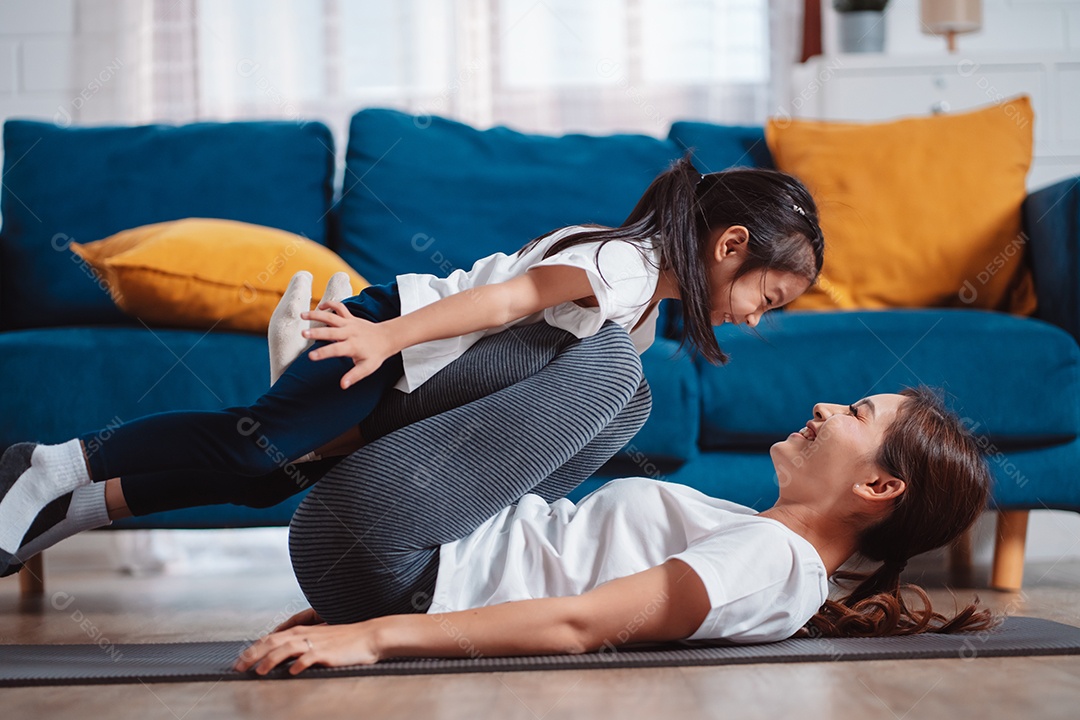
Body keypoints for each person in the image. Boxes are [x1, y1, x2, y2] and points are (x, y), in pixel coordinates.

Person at [0, 155, 825, 574]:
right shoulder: (626, 266)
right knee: (253, 447)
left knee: (265, 478)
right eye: (770, 297)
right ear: (729, 246)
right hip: (393, 338)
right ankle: (48, 465)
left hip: (417, 371)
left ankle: (85, 508)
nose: (757, 319)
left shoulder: (641, 315)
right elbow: (507, 303)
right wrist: (381, 338)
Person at [227, 325, 995, 675]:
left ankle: (334, 402)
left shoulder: (772, 562)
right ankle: (335, 413)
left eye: (857, 414)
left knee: (606, 360)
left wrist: (374, 636)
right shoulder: (759, 538)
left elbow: (579, 624)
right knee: (626, 399)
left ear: (879, 487)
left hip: (406, 565)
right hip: (406, 552)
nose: (828, 408)